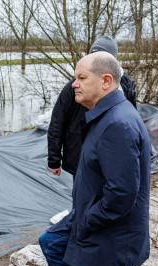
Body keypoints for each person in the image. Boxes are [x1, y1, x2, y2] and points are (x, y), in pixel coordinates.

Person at [34, 52, 151, 266]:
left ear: (106, 81)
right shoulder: (104, 114)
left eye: (81, 78)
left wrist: (87, 221)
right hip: (93, 214)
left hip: (112, 227)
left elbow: (122, 194)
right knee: (52, 242)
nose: (74, 84)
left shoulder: (118, 125)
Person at [46, 35, 136, 178]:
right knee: (83, 195)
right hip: (80, 156)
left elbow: (131, 123)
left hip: (111, 156)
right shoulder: (73, 87)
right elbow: (57, 123)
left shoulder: (126, 86)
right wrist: (54, 159)